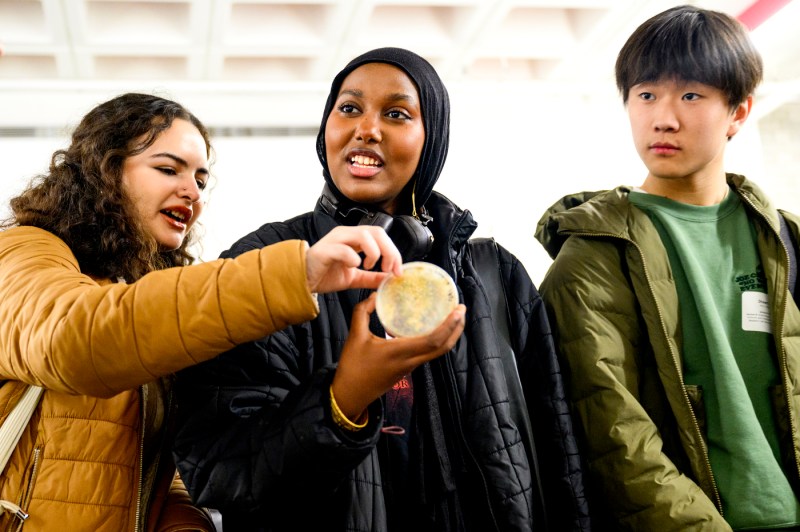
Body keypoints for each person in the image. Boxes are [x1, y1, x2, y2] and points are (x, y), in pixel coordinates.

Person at [173, 47, 590, 531]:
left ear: (431, 139)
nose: (366, 128)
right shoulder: (265, 262)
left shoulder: (495, 273)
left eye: (396, 113)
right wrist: (343, 399)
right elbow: (220, 471)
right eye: (349, 108)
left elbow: (562, 450)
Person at [0, 92, 415, 531]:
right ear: (102, 171)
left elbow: (152, 470)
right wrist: (296, 271)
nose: (191, 192)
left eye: (200, 179)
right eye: (167, 169)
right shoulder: (24, 250)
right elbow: (77, 341)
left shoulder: (145, 296)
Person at [536, 5, 800, 530]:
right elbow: (614, 434)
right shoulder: (592, 256)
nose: (663, 117)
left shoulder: (787, 240)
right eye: (646, 94)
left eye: (691, 95)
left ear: (739, 113)